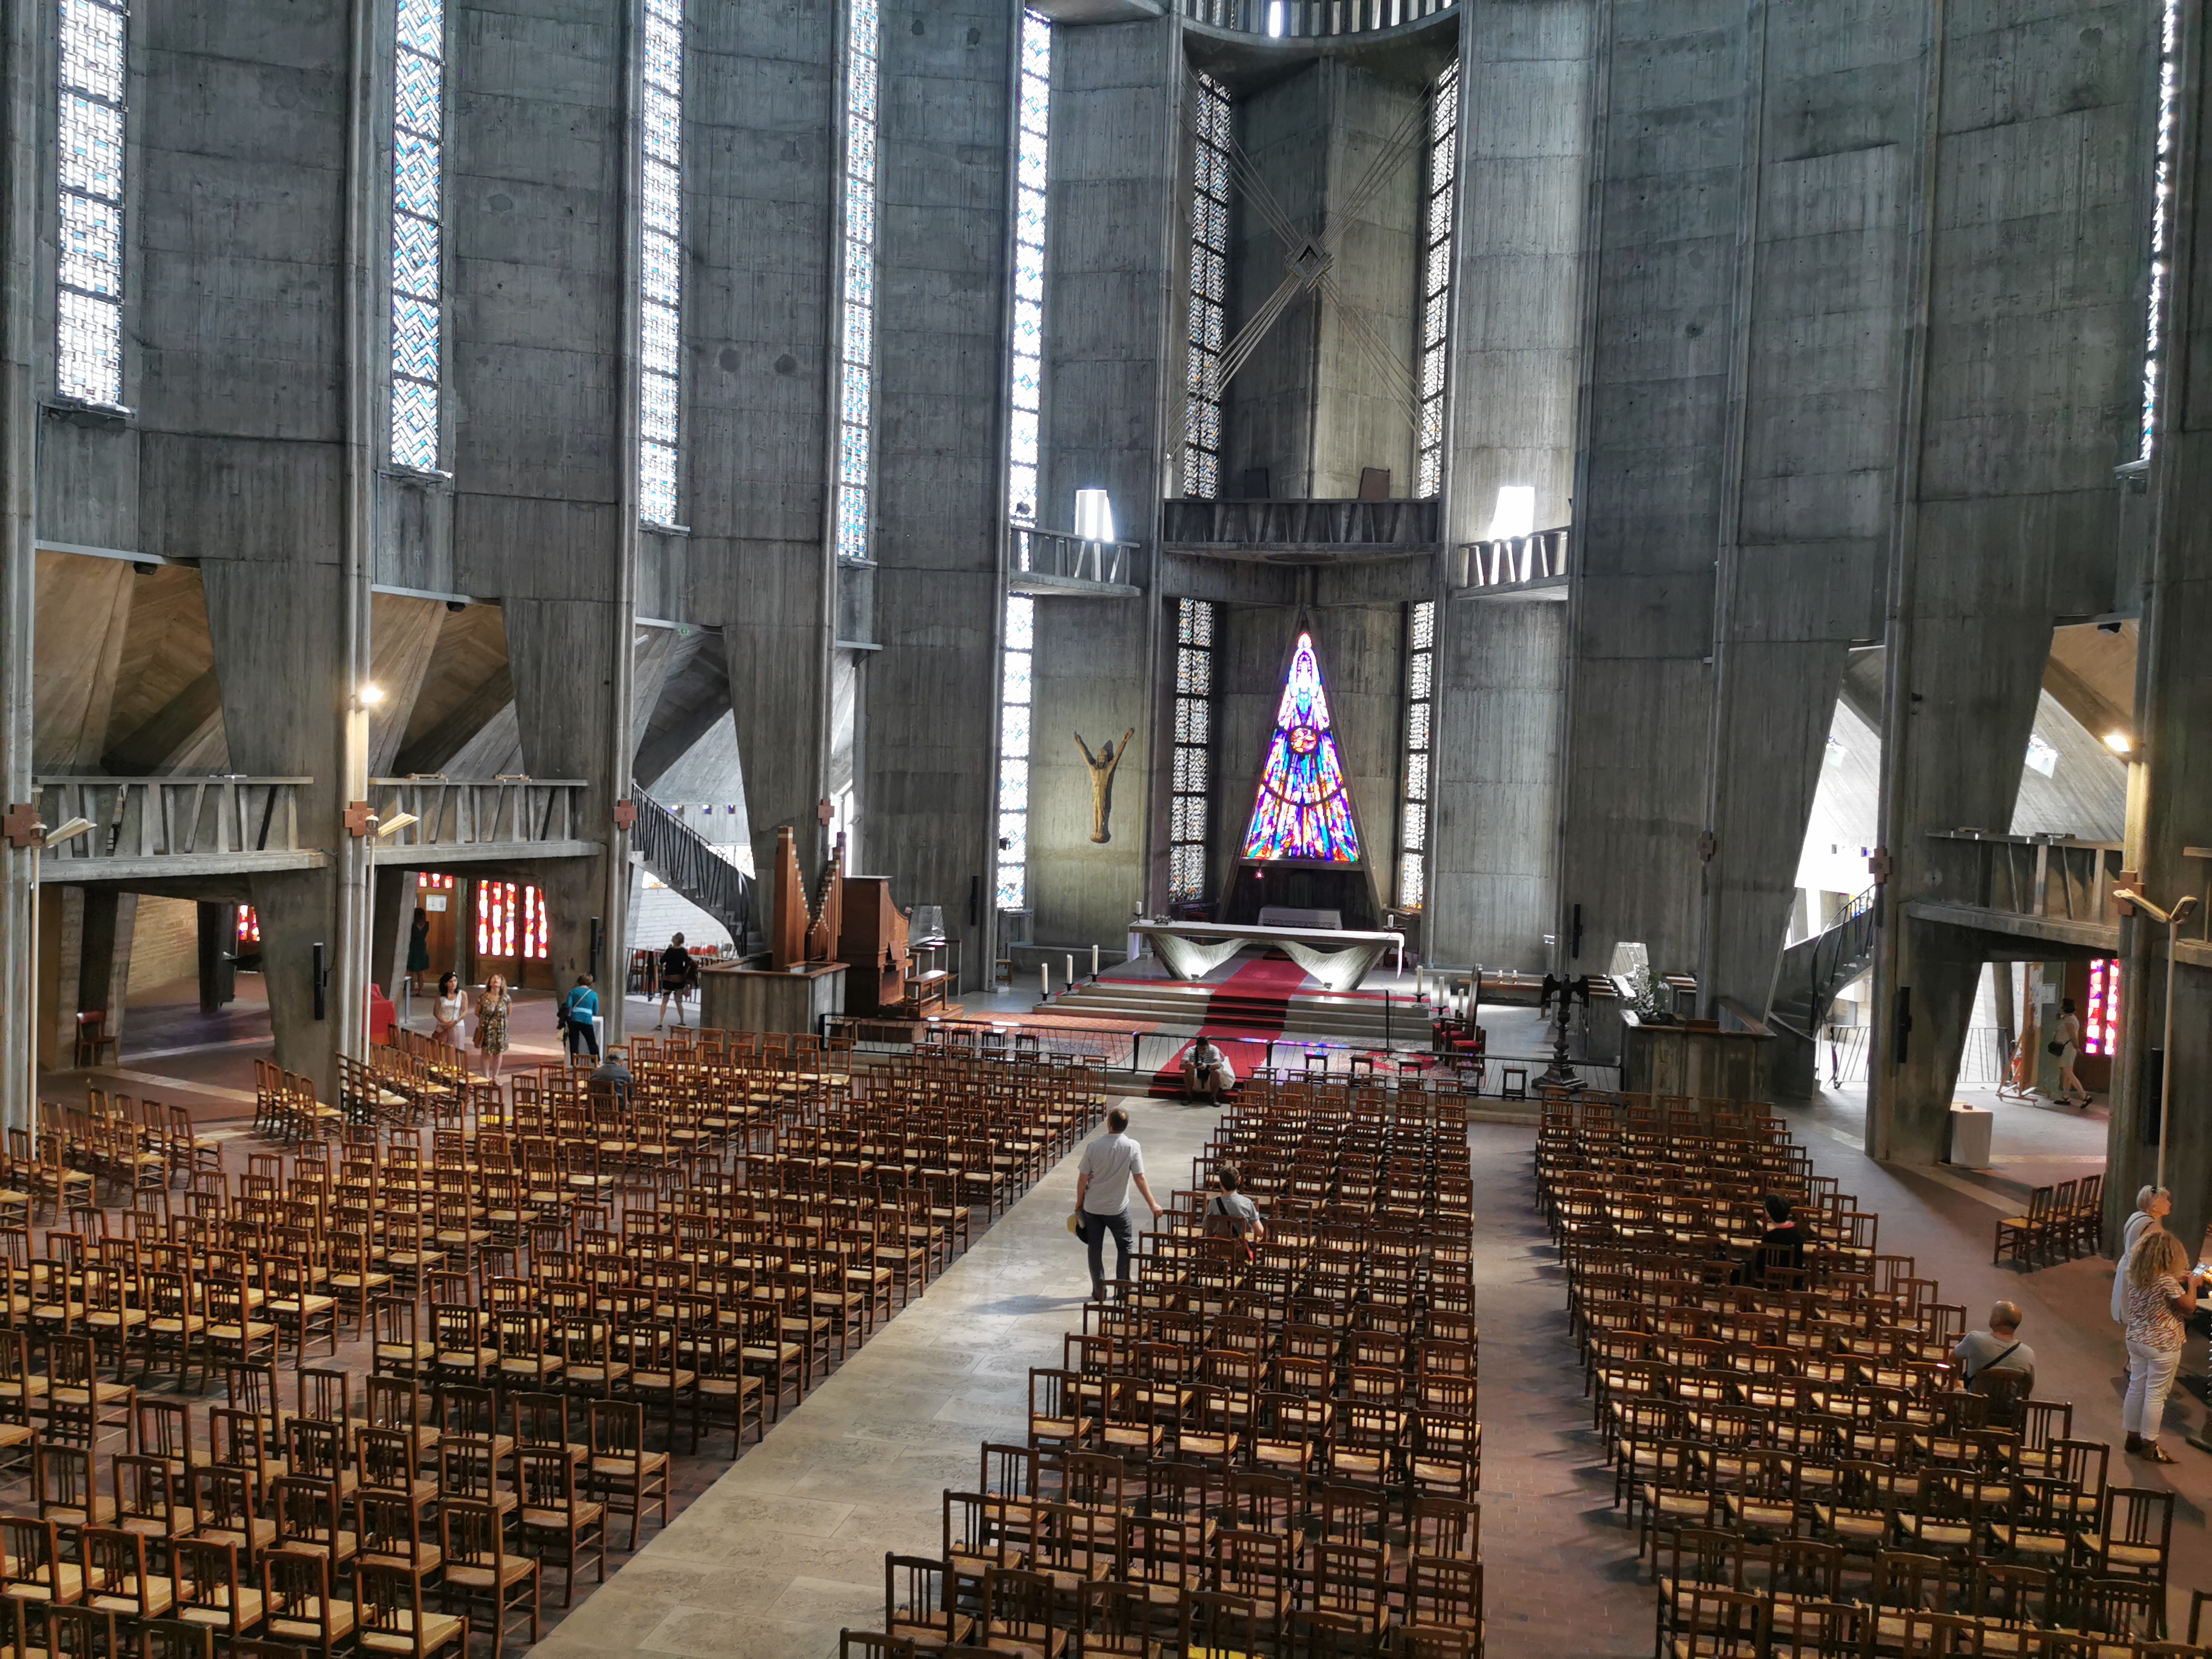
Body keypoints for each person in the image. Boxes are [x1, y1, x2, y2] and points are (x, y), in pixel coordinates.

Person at [2120, 1227, 2204, 1461]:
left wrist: (2178, 1278)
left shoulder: (2136, 1274)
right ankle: (2150, 1443)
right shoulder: (2166, 1281)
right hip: (2162, 1344)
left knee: (2136, 1387)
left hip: (2136, 1339)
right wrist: (2193, 1284)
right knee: (2156, 1395)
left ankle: (2132, 1437)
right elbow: (2189, 1307)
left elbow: (2155, 1292)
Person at [1074, 1106, 1164, 1301]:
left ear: (1109, 1124)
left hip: (1093, 1207)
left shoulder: (1094, 1146)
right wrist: (1153, 1204)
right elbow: (1139, 1177)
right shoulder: (1132, 1146)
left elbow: (1083, 1178)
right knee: (1125, 1247)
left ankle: (1099, 1290)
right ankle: (1122, 1289)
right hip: (1118, 1208)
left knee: (1095, 1248)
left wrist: (1079, 1203)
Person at [2112, 1186, 2171, 1322]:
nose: (2169, 1204)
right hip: (2139, 1272)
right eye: (2165, 1201)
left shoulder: (2137, 1216)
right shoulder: (2152, 1227)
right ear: (2155, 1206)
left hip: (2128, 1265)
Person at [1952, 1301, 2036, 1395]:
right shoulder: (2028, 1354)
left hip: (1975, 1403)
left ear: (1997, 1320)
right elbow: (2028, 1386)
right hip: (2009, 1405)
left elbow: (1953, 1359)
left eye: (1993, 1314)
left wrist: (1955, 1383)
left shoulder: (1975, 1339)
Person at [1202, 1163, 1267, 1261]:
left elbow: (1207, 1232)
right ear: (1239, 1181)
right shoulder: (1247, 1203)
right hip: (1238, 1251)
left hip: (1217, 1250)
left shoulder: (1213, 1204)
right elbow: (1260, 1232)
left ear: (1221, 1184)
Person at [1748, 1194, 1806, 1283]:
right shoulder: (1797, 1234)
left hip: (1769, 1280)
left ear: (1768, 1214)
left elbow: (1760, 1265)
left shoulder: (1769, 1237)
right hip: (1792, 1281)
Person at [474, 973, 512, 1083]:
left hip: (500, 1030)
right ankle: (486, 1077)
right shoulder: (483, 998)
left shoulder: (506, 999)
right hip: (486, 1029)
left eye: (498, 979)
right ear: (490, 983)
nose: (496, 980)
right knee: (486, 1053)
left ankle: (495, 1076)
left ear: (502, 983)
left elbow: (508, 1013)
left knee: (498, 1053)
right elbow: (477, 1012)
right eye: (493, 979)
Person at [2053, 997, 2088, 1106]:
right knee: (2066, 1073)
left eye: (2061, 1005)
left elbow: (2073, 1036)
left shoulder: (2070, 1021)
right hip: (2067, 1048)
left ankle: (2084, 1096)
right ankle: (2066, 1096)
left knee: (2068, 1073)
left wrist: (2077, 1048)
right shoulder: (2069, 1019)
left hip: (2067, 1049)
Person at [656, 933, 694, 1030]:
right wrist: (684, 972)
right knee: (679, 1002)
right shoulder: (683, 951)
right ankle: (682, 1021)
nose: (672, 938)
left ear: (676, 939)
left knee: (665, 1001)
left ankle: (661, 1023)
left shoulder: (669, 951)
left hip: (668, 979)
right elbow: (688, 962)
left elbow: (662, 961)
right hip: (679, 979)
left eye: (674, 937)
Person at [560, 973, 600, 1059]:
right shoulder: (594, 994)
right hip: (587, 1020)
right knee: (591, 1042)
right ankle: (596, 1061)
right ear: (590, 983)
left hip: (574, 1019)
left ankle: (575, 1062)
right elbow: (595, 1011)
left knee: (574, 1043)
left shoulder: (573, 992)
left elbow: (569, 1006)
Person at [1184, 1038, 1236, 1104]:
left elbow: (1218, 1064)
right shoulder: (1190, 1050)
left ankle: (1213, 1097)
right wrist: (1191, 1065)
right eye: (1199, 1049)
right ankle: (1189, 1096)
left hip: (1210, 1068)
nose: (1201, 1051)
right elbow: (1181, 1066)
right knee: (1189, 1071)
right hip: (1197, 1070)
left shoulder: (1214, 1049)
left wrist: (1207, 1066)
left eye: (1204, 1049)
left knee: (1216, 1072)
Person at [431, 972, 466, 1047]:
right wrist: (444, 1022)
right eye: (450, 982)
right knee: (442, 1048)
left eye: (455, 981)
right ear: (446, 984)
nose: (453, 984)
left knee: (457, 1049)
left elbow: (464, 1011)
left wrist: (455, 1022)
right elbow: (436, 1012)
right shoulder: (441, 996)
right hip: (443, 1026)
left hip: (457, 1025)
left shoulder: (462, 994)